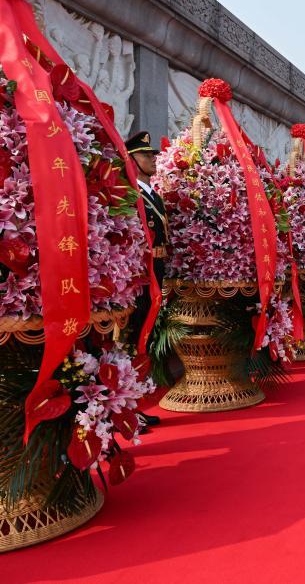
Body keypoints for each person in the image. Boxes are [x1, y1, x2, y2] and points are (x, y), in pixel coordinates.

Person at [126, 131, 167, 431]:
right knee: (132, 339)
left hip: (157, 274)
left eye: (152, 154)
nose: (153, 159)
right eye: (146, 155)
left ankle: (135, 407)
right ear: (132, 160)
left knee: (145, 339)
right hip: (140, 278)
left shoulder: (153, 196)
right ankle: (129, 411)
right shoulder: (131, 194)